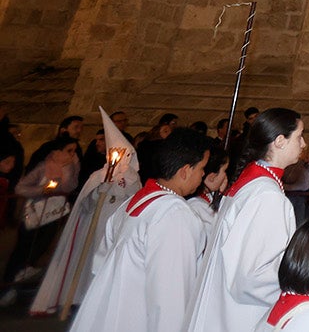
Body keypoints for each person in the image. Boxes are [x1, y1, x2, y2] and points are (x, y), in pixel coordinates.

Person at [67, 127, 214, 332]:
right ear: (185, 170)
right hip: (138, 319)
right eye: (202, 169)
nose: (203, 175)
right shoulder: (174, 214)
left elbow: (99, 264)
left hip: (109, 313)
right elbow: (170, 297)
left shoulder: (134, 202)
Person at [184, 107, 306, 332]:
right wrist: (302, 280)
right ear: (279, 141)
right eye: (299, 137)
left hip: (224, 306)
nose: (304, 144)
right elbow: (253, 277)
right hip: (243, 315)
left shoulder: (253, 182)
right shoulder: (267, 196)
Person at [28, 107, 143, 317]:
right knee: (87, 262)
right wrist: (99, 189)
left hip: (115, 228)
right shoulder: (98, 175)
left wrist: (117, 188)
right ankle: (78, 298)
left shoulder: (134, 177)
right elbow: (86, 204)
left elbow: (133, 200)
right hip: (93, 228)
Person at [0, 137, 80, 296]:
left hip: (52, 216)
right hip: (34, 214)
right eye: (69, 150)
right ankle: (8, 286)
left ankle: (19, 285)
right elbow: (21, 187)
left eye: (75, 151)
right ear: (58, 151)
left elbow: (70, 186)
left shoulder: (71, 167)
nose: (73, 154)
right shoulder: (43, 166)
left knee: (38, 250)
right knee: (22, 250)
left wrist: (71, 168)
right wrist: (42, 190)